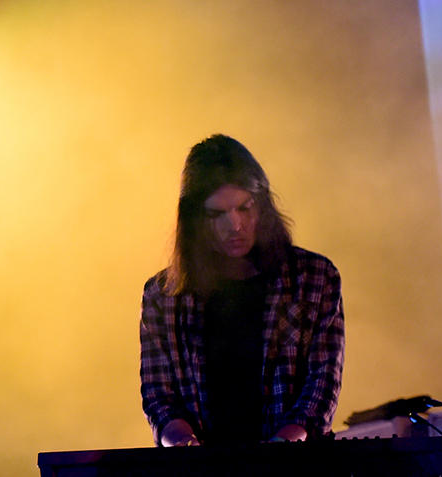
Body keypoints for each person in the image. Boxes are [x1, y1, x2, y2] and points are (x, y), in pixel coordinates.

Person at [139, 134, 345, 447]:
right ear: (194, 219)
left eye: (244, 208)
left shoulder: (315, 277)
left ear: (262, 205)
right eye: (216, 214)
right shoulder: (164, 295)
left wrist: (281, 447)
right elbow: (159, 396)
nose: (234, 225)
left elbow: (321, 388)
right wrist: (184, 445)